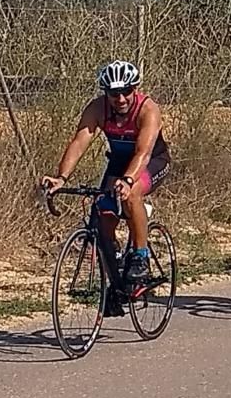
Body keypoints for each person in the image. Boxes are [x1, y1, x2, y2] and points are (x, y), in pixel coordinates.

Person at [41, 60, 170, 315]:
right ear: (105, 93)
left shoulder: (148, 110)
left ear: (135, 88)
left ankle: (141, 256)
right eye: (113, 93)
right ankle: (117, 272)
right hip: (119, 163)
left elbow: (143, 154)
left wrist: (130, 180)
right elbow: (80, 141)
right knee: (103, 212)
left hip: (151, 161)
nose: (120, 98)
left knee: (130, 194)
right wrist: (62, 178)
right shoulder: (98, 108)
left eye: (126, 91)